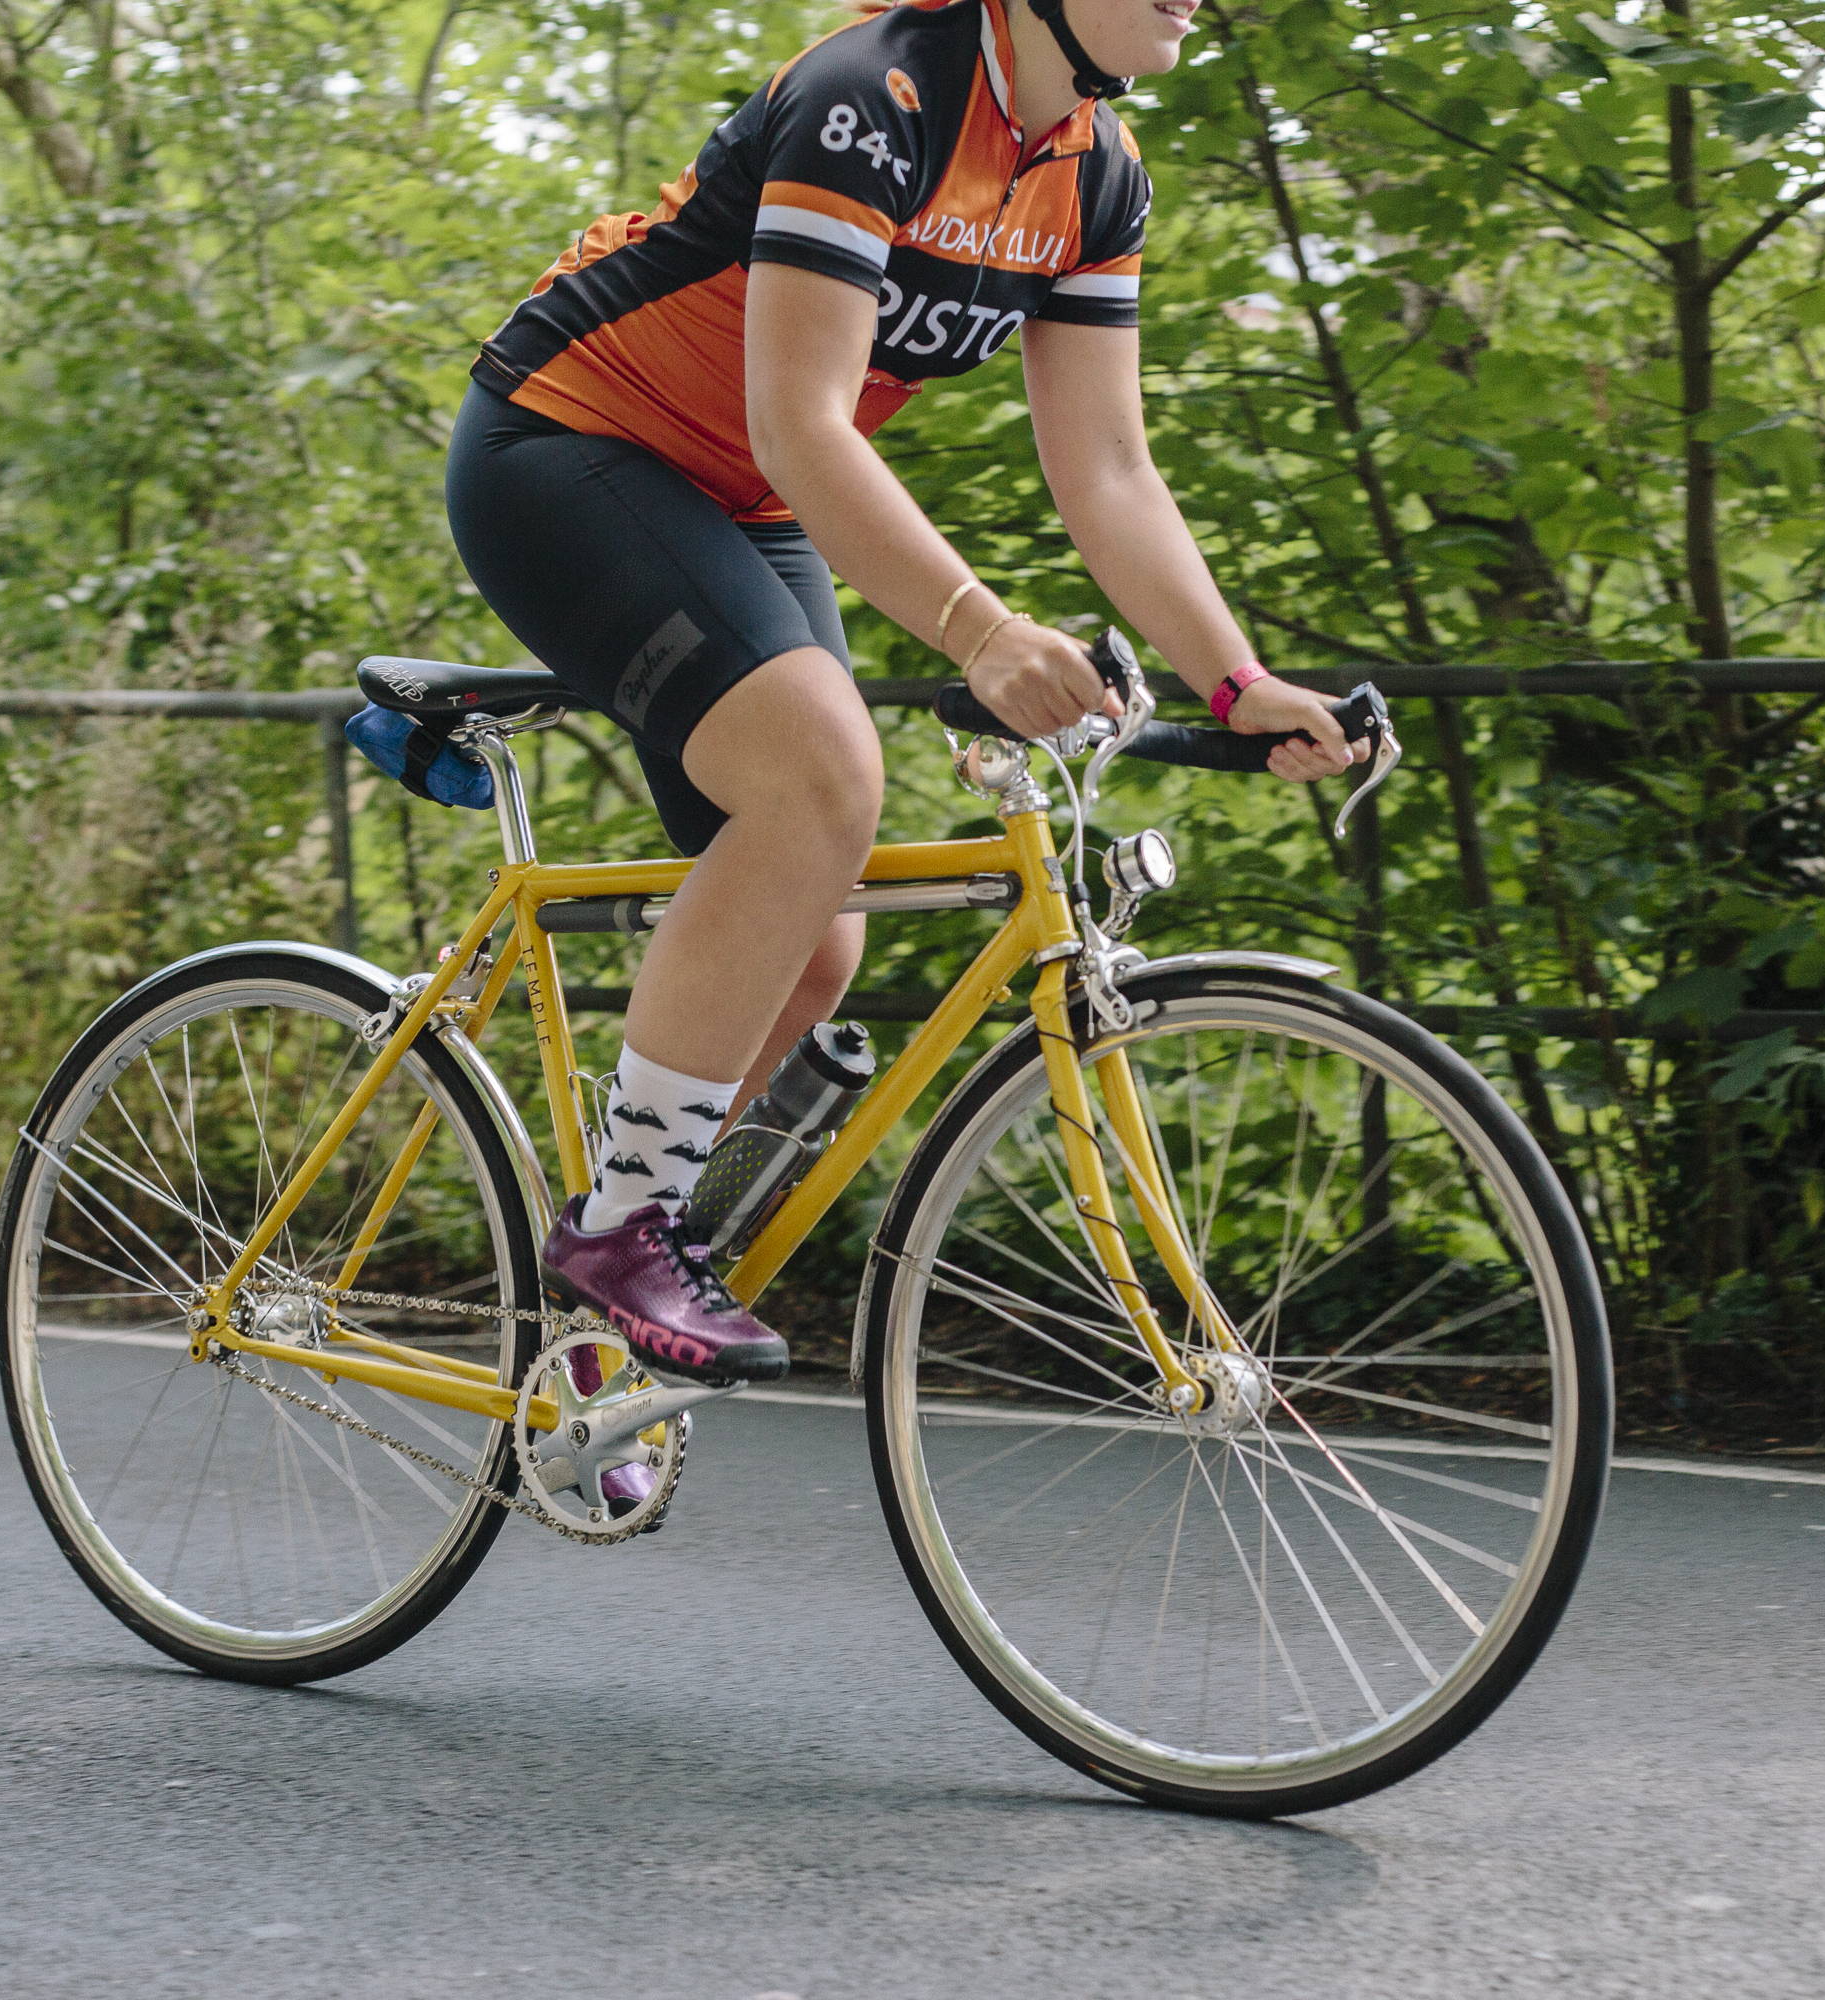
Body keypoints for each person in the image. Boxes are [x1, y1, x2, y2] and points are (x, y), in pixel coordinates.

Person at [447, 0, 1363, 1428]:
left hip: (744, 502)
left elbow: (1109, 467)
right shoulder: (871, 93)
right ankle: (621, 1228)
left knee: (814, 945)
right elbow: (801, 418)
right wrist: (981, 631)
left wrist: (1236, 683)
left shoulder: (1096, 172)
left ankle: (596, 1330)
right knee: (823, 781)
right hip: (568, 443)